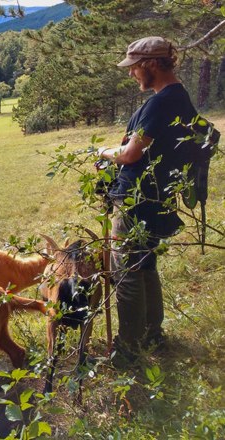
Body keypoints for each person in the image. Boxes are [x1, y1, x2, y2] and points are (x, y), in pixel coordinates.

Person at [97, 36, 200, 365]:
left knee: (126, 271)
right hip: (158, 198)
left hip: (136, 200)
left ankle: (128, 347)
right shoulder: (179, 98)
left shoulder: (161, 102)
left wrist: (103, 153)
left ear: (153, 64)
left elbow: (130, 154)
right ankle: (153, 333)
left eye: (135, 68)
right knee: (146, 266)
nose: (132, 75)